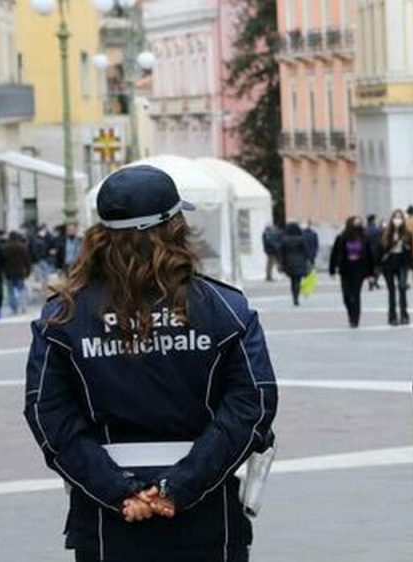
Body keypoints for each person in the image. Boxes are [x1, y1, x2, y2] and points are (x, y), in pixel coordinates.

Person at [22, 165, 278, 562]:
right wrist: (179, 487)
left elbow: (48, 414)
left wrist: (118, 490)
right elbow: (253, 405)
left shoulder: (62, 318)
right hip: (207, 515)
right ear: (176, 228)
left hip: (106, 520)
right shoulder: (227, 310)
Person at [329, 216, 374, 328]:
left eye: (359, 223)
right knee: (346, 295)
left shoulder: (364, 238)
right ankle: (350, 313)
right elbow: (335, 254)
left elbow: (370, 256)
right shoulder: (342, 237)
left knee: (356, 294)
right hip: (345, 269)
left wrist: (371, 273)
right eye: (355, 223)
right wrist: (332, 270)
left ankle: (355, 318)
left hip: (359, 269)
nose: (357, 225)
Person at [381, 209, 413, 326]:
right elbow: (382, 249)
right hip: (389, 264)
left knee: (402, 289)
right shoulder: (386, 233)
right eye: (396, 217)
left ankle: (404, 315)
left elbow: (411, 251)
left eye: (400, 217)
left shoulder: (407, 234)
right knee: (391, 291)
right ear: (392, 219)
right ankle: (392, 317)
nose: (397, 220)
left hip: (402, 263)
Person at [278, 222, 311, 306]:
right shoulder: (301, 239)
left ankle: (294, 296)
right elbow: (306, 252)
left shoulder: (284, 240)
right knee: (298, 281)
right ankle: (296, 297)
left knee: (292, 281)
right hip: (300, 262)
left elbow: (281, 253)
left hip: (289, 263)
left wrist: (282, 263)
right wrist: (307, 260)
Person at [4, 231, 33, 315]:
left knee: (11, 291)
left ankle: (14, 308)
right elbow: (27, 261)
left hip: (9, 273)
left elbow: (3, 261)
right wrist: (28, 271)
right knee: (21, 289)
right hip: (20, 272)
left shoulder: (6, 248)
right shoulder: (22, 247)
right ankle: (23, 306)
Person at [365, 214, 384, 291]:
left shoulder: (364, 229)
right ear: (373, 220)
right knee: (378, 267)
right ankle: (375, 281)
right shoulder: (378, 230)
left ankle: (371, 284)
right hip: (377, 251)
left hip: (366, 251)